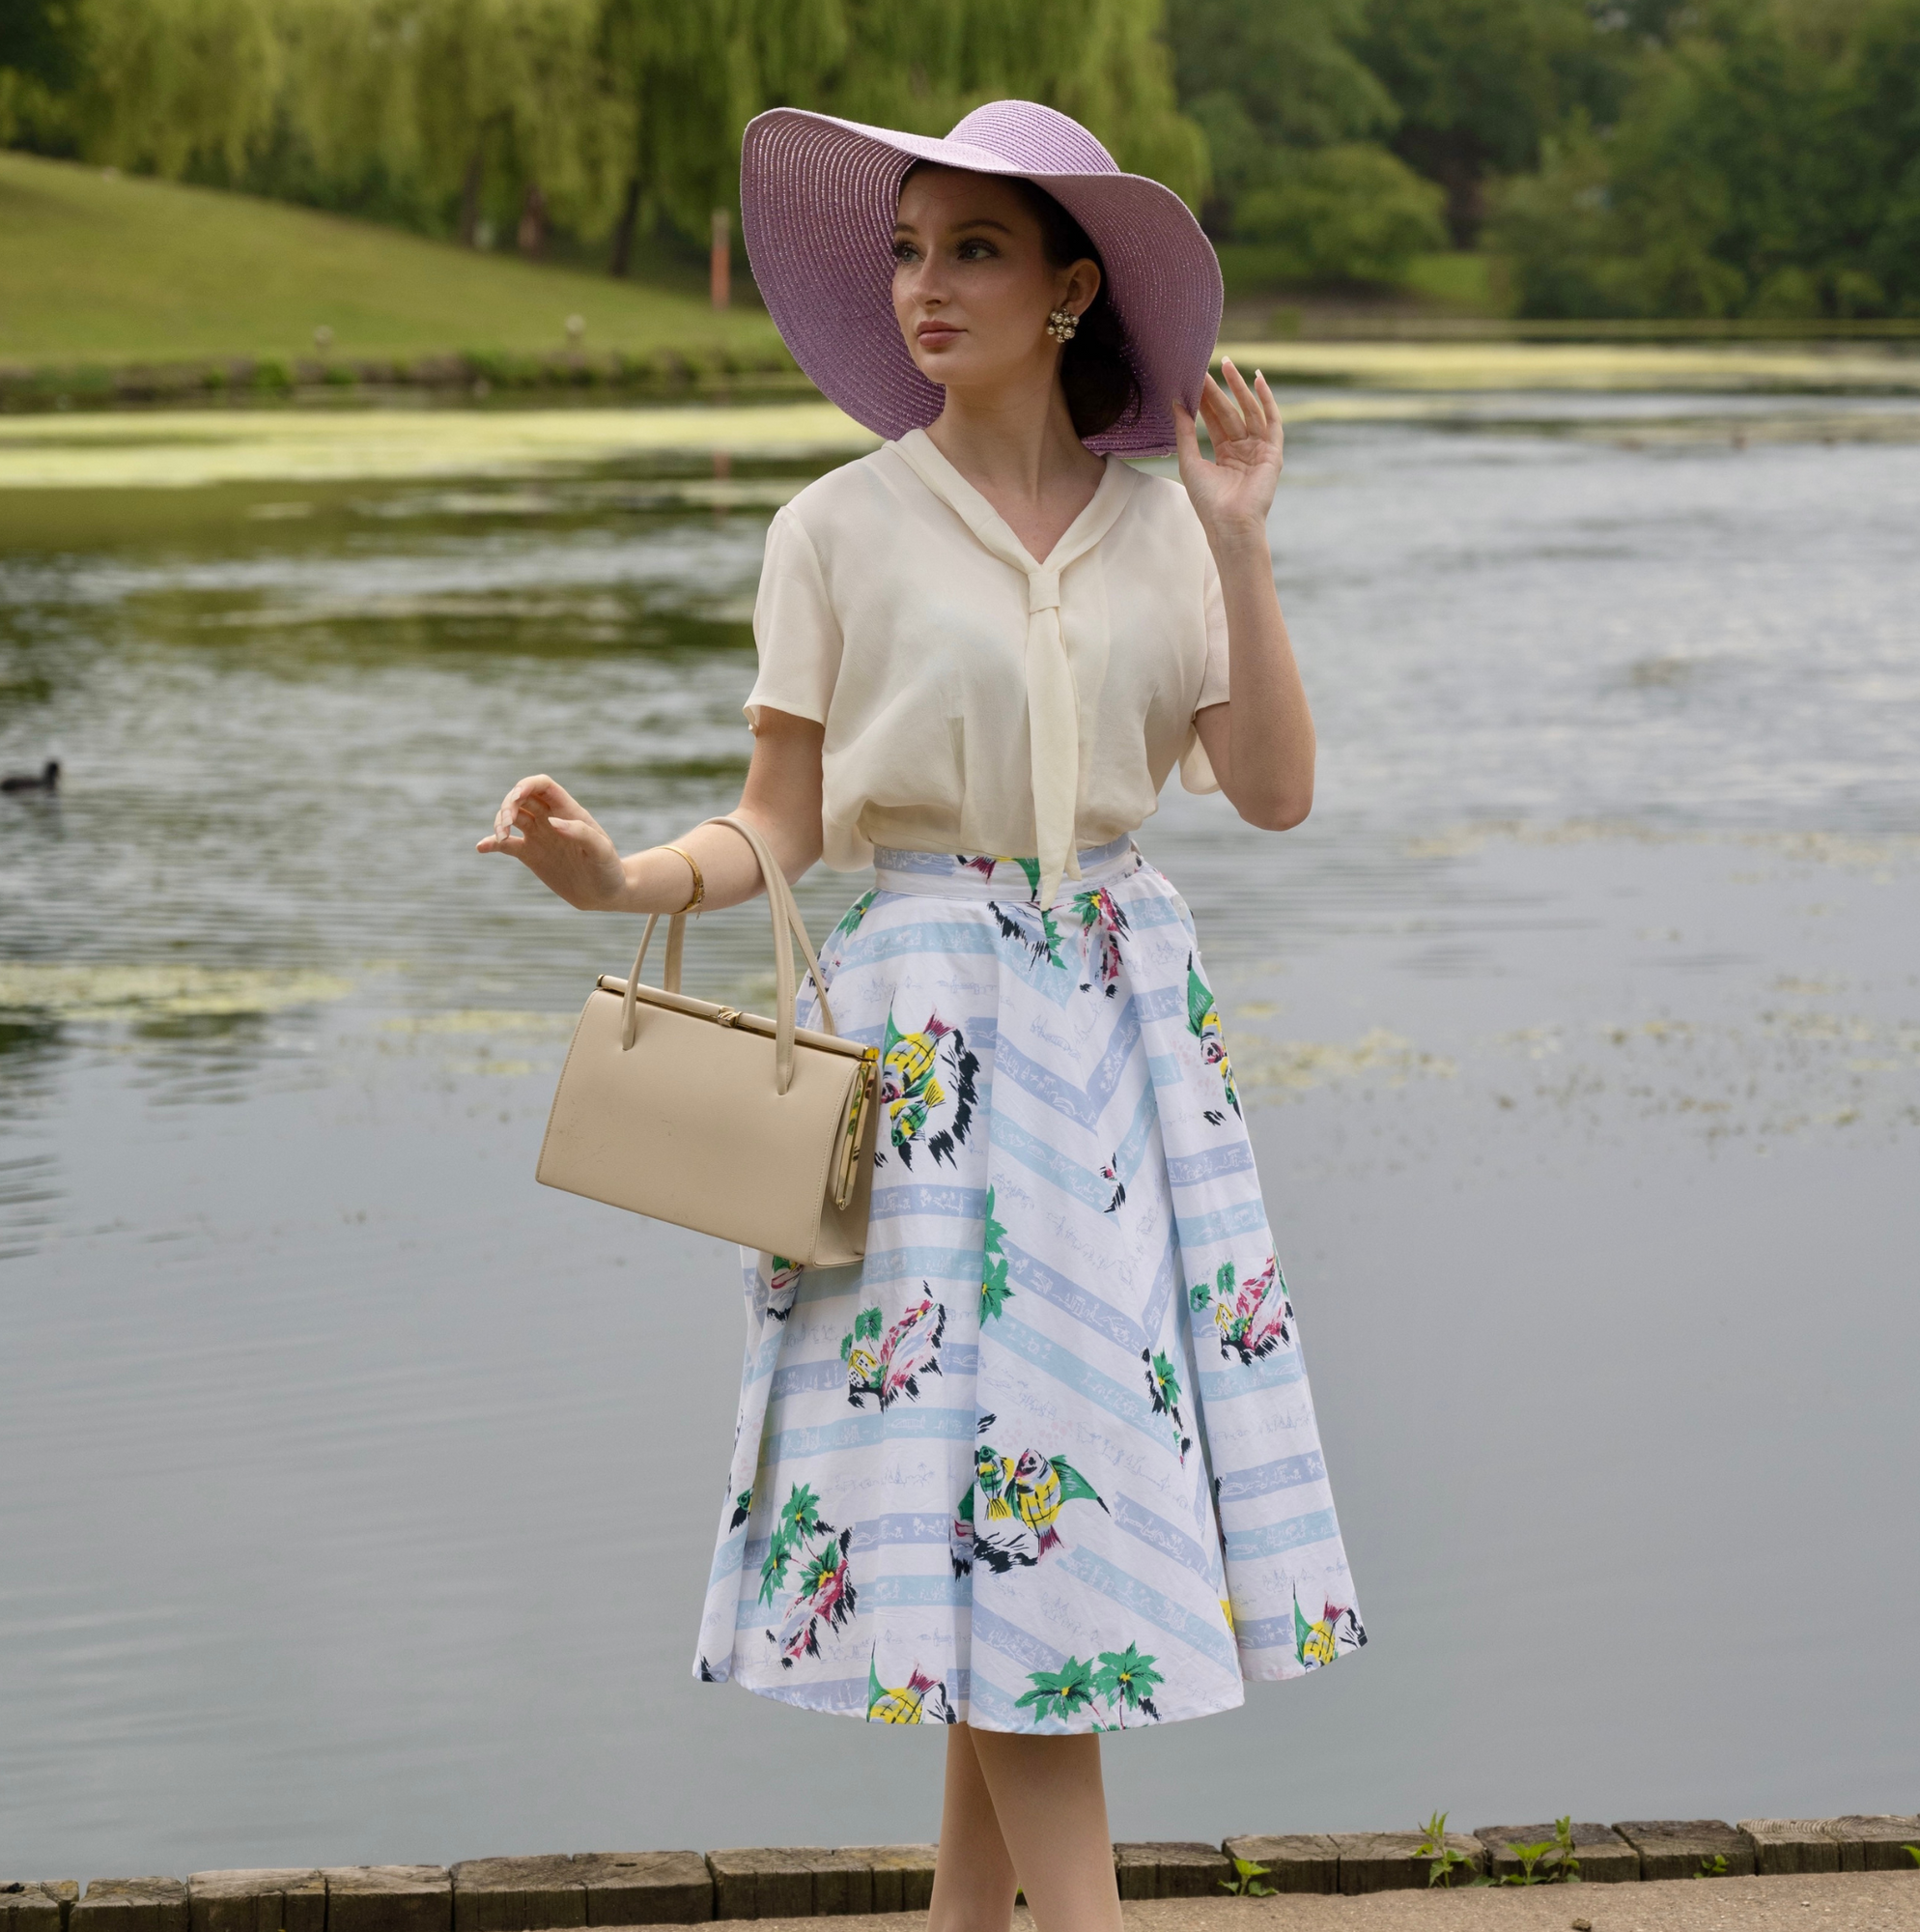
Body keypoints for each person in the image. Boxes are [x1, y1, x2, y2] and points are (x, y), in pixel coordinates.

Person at [479, 100, 1363, 1932]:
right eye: (905, 249)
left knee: (1034, 1500)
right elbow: (783, 828)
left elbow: (1269, 790)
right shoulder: (834, 529)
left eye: (971, 249)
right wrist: (616, 880)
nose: (925, 287)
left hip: (1121, 1047)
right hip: (928, 1050)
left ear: (1069, 287)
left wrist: (1246, 542)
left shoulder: (1163, 529)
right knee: (1016, 1501)